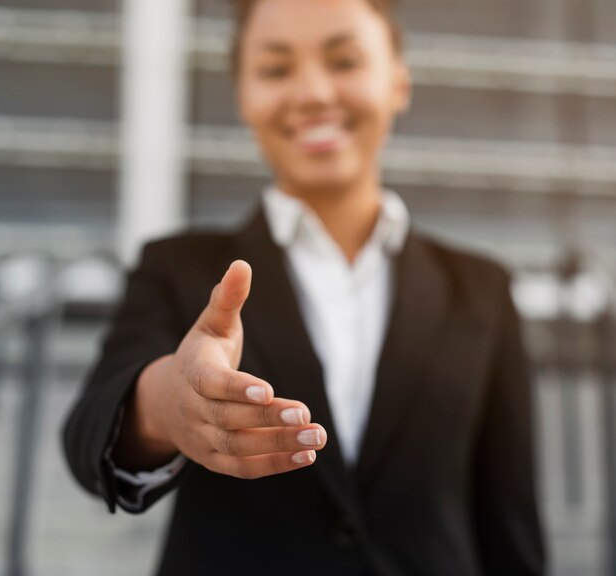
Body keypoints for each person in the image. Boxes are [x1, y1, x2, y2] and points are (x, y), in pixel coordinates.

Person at [63, 0, 546, 574]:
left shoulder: (482, 289)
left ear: (398, 80)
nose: (314, 92)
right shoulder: (179, 267)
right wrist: (169, 404)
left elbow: (509, 519)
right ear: (243, 95)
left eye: (344, 60)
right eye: (275, 68)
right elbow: (89, 434)